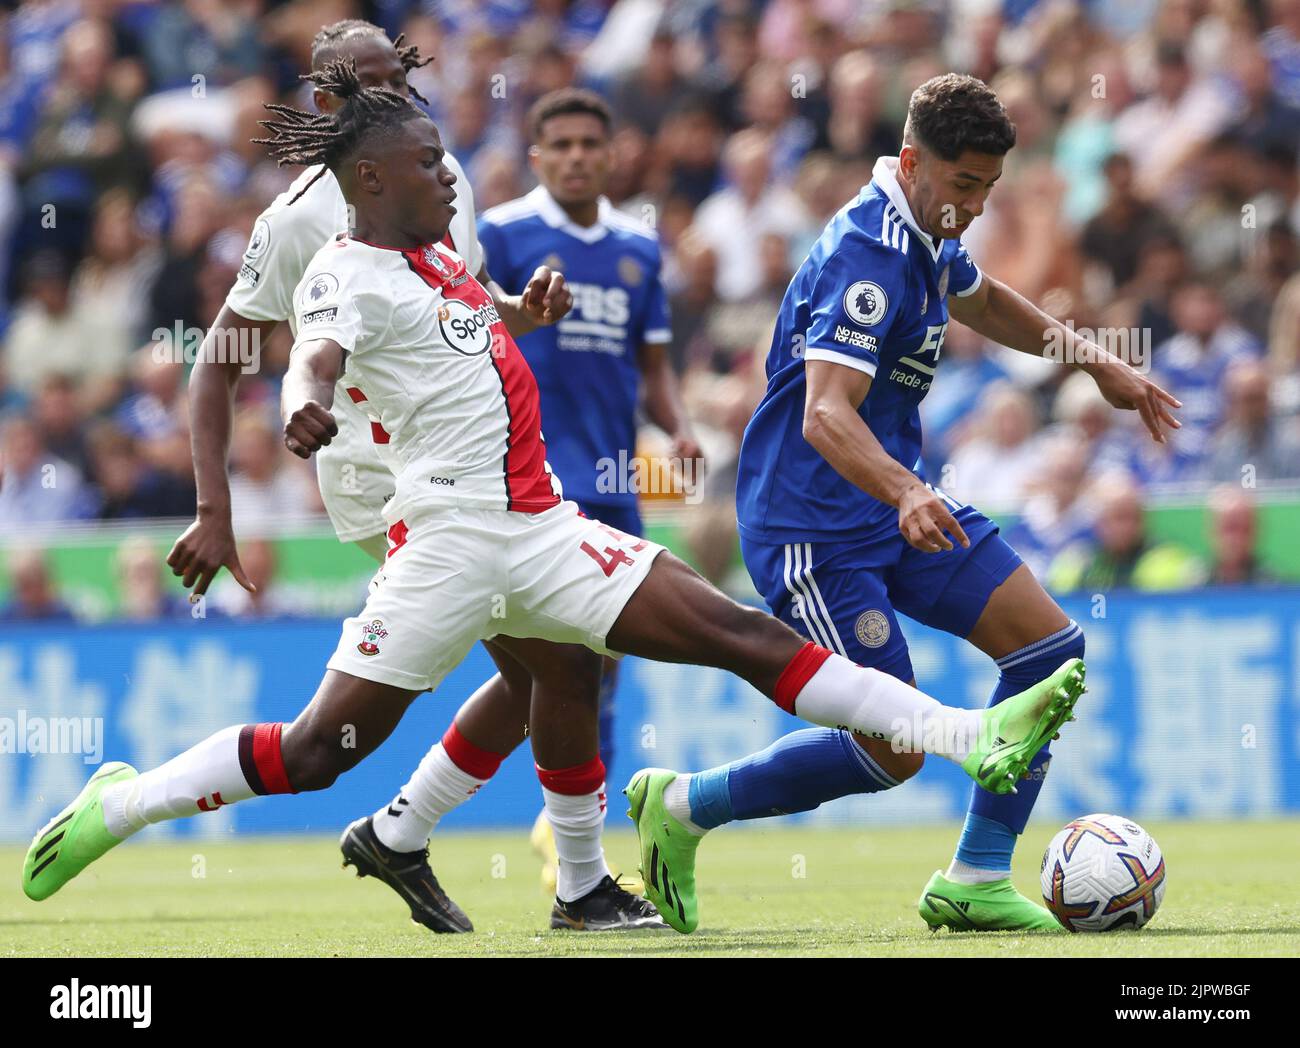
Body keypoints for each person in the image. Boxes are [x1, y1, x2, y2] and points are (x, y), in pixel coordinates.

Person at [22, 68, 1086, 936]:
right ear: (372, 179)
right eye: (429, 162)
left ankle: (965, 738)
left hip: (539, 529)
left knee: (730, 635)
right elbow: (319, 352)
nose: (452, 174)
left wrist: (516, 315)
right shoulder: (342, 266)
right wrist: (302, 403)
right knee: (316, 753)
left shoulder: (437, 258)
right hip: (444, 544)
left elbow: (453, 336)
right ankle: (125, 801)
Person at [625, 73, 1181, 934]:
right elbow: (823, 414)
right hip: (813, 527)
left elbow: (983, 297)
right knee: (895, 749)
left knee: (1050, 651)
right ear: (914, 162)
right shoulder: (867, 251)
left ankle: (976, 880)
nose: (977, 208)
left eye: (990, 190)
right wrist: (908, 486)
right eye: (965, 186)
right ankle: (688, 805)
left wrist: (1093, 357)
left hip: (890, 506)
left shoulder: (926, 229)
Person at [160, 20, 658, 934]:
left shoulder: (440, 172)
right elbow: (217, 362)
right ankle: (545, 876)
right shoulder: (297, 218)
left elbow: (459, 298)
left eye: (402, 85)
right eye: (362, 89)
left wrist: (519, 311)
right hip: (381, 476)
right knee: (553, 665)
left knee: (553, 668)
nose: (389, 105)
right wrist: (212, 507)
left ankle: (413, 835)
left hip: (466, 460)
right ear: (322, 103)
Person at [469, 87, 700, 884]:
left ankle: (570, 831)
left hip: (613, 477)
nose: (573, 157)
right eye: (557, 144)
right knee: (558, 658)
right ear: (537, 156)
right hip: (528, 478)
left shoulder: (639, 251)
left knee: (606, 656)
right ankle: (566, 831)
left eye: (587, 145)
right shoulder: (500, 234)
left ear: (611, 155)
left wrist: (677, 427)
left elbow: (654, 368)